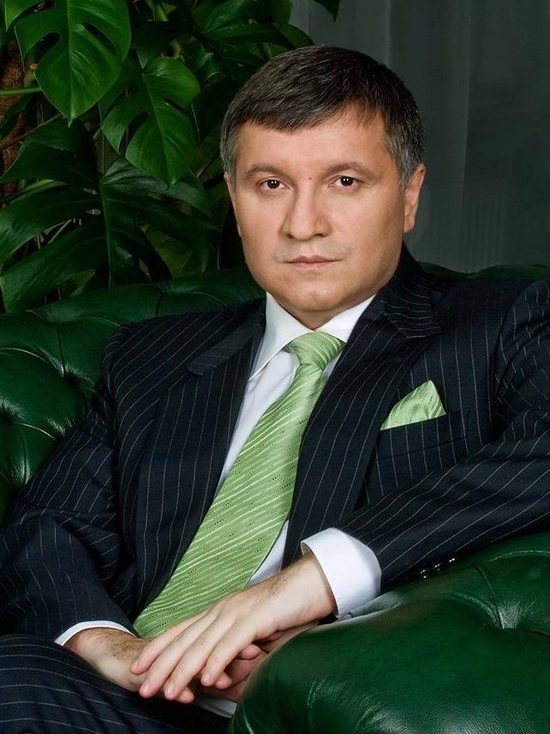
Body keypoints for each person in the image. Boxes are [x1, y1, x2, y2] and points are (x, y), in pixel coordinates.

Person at [0, 45, 549, 733]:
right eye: (270, 184)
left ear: (409, 195)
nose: (303, 224)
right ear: (235, 201)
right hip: (128, 701)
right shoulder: (151, 358)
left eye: (344, 181)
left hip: (337, 708)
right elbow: (48, 527)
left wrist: (312, 585)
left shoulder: (500, 325)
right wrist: (111, 649)